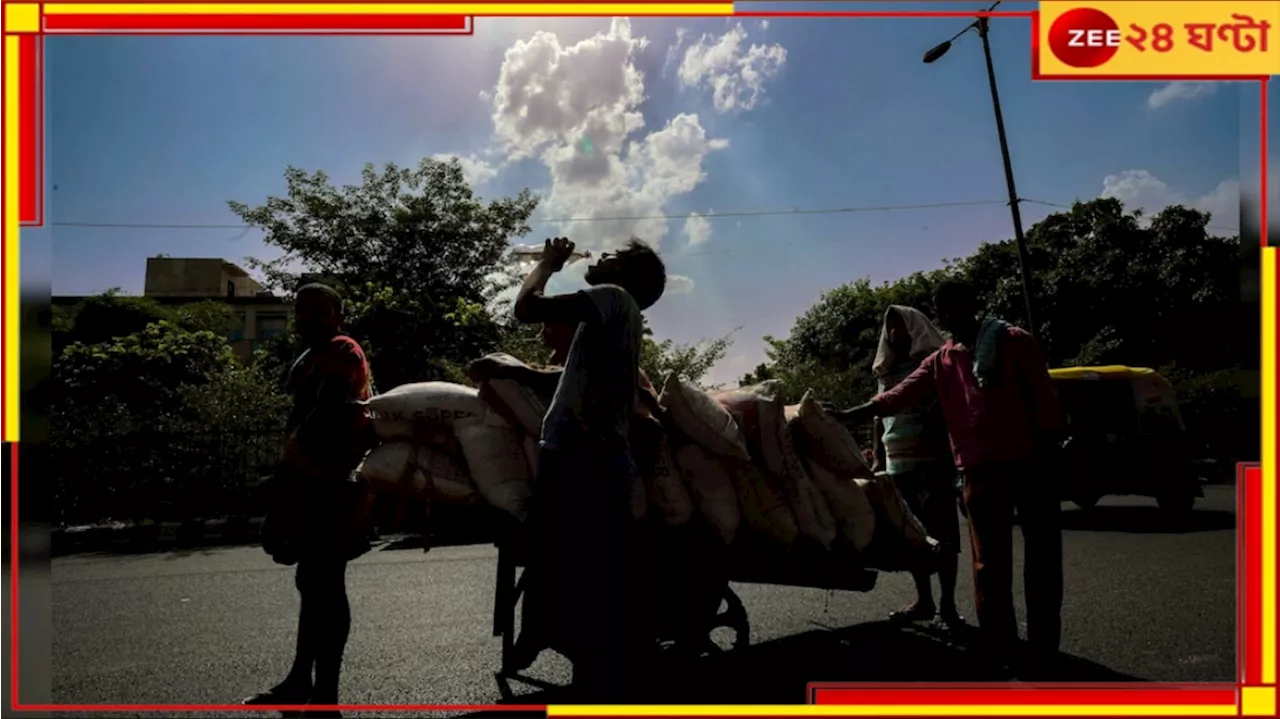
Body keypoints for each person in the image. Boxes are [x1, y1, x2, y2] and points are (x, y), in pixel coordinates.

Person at [833, 280, 1064, 678]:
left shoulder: (1013, 341)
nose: (946, 315)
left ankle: (1045, 648)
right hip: (978, 471)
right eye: (941, 308)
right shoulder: (942, 359)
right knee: (988, 565)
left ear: (973, 303)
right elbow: (899, 395)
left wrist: (1050, 454)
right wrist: (848, 413)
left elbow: (1044, 400)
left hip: (1030, 466)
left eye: (953, 306)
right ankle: (1000, 643)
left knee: (1042, 561)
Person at [506, 236, 666, 701]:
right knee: (564, 560)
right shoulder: (620, 314)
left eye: (611, 256)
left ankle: (561, 650)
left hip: (583, 455)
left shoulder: (612, 298)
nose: (598, 258)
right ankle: (553, 641)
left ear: (625, 274)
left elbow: (526, 307)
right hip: (594, 455)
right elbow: (577, 377)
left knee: (563, 562)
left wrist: (547, 264)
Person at [246, 284, 375, 716]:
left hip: (330, 486)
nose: (308, 319)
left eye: (319, 312)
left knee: (325, 586)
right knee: (313, 585)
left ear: (339, 314)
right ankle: (301, 682)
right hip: (311, 483)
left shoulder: (341, 350)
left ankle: (326, 697)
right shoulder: (313, 354)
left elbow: (327, 413)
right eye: (302, 312)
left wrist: (298, 456)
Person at [870, 305, 963, 631]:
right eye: (890, 327)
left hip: (930, 462)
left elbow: (945, 414)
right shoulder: (886, 371)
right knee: (914, 536)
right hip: (898, 464)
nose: (894, 333)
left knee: (943, 535)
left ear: (914, 328)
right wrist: (877, 458)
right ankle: (924, 600)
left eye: (900, 326)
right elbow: (879, 416)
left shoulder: (932, 365)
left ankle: (948, 606)